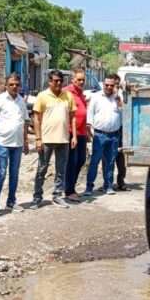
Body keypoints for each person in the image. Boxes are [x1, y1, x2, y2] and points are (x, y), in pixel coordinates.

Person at [31, 70, 77, 209]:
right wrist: (38, 139)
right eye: (55, 81)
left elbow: (73, 116)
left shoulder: (68, 96)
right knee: (42, 169)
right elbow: (36, 118)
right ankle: (37, 197)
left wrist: (74, 136)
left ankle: (57, 195)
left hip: (63, 139)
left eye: (60, 81)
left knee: (61, 170)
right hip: (46, 140)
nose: (58, 83)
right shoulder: (42, 96)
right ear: (49, 81)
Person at [0, 73, 29, 215]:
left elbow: (25, 122)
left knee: (14, 174)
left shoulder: (21, 101)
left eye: (17, 84)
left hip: (18, 144)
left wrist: (26, 141)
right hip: (2, 143)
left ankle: (11, 202)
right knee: (2, 173)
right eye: (11, 84)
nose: (14, 87)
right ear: (6, 85)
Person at [84, 74, 122, 196]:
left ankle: (108, 186)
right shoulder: (96, 97)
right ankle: (89, 187)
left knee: (110, 162)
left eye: (112, 85)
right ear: (103, 85)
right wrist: (89, 128)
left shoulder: (117, 98)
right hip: (100, 135)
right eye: (107, 85)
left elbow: (123, 112)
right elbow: (90, 113)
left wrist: (119, 100)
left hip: (114, 136)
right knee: (95, 161)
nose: (109, 87)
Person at [63, 68, 88, 202]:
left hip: (82, 132)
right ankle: (69, 190)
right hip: (71, 132)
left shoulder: (81, 93)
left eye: (83, 79)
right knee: (72, 162)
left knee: (81, 160)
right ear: (73, 80)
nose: (81, 82)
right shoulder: (67, 92)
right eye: (79, 79)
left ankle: (71, 187)